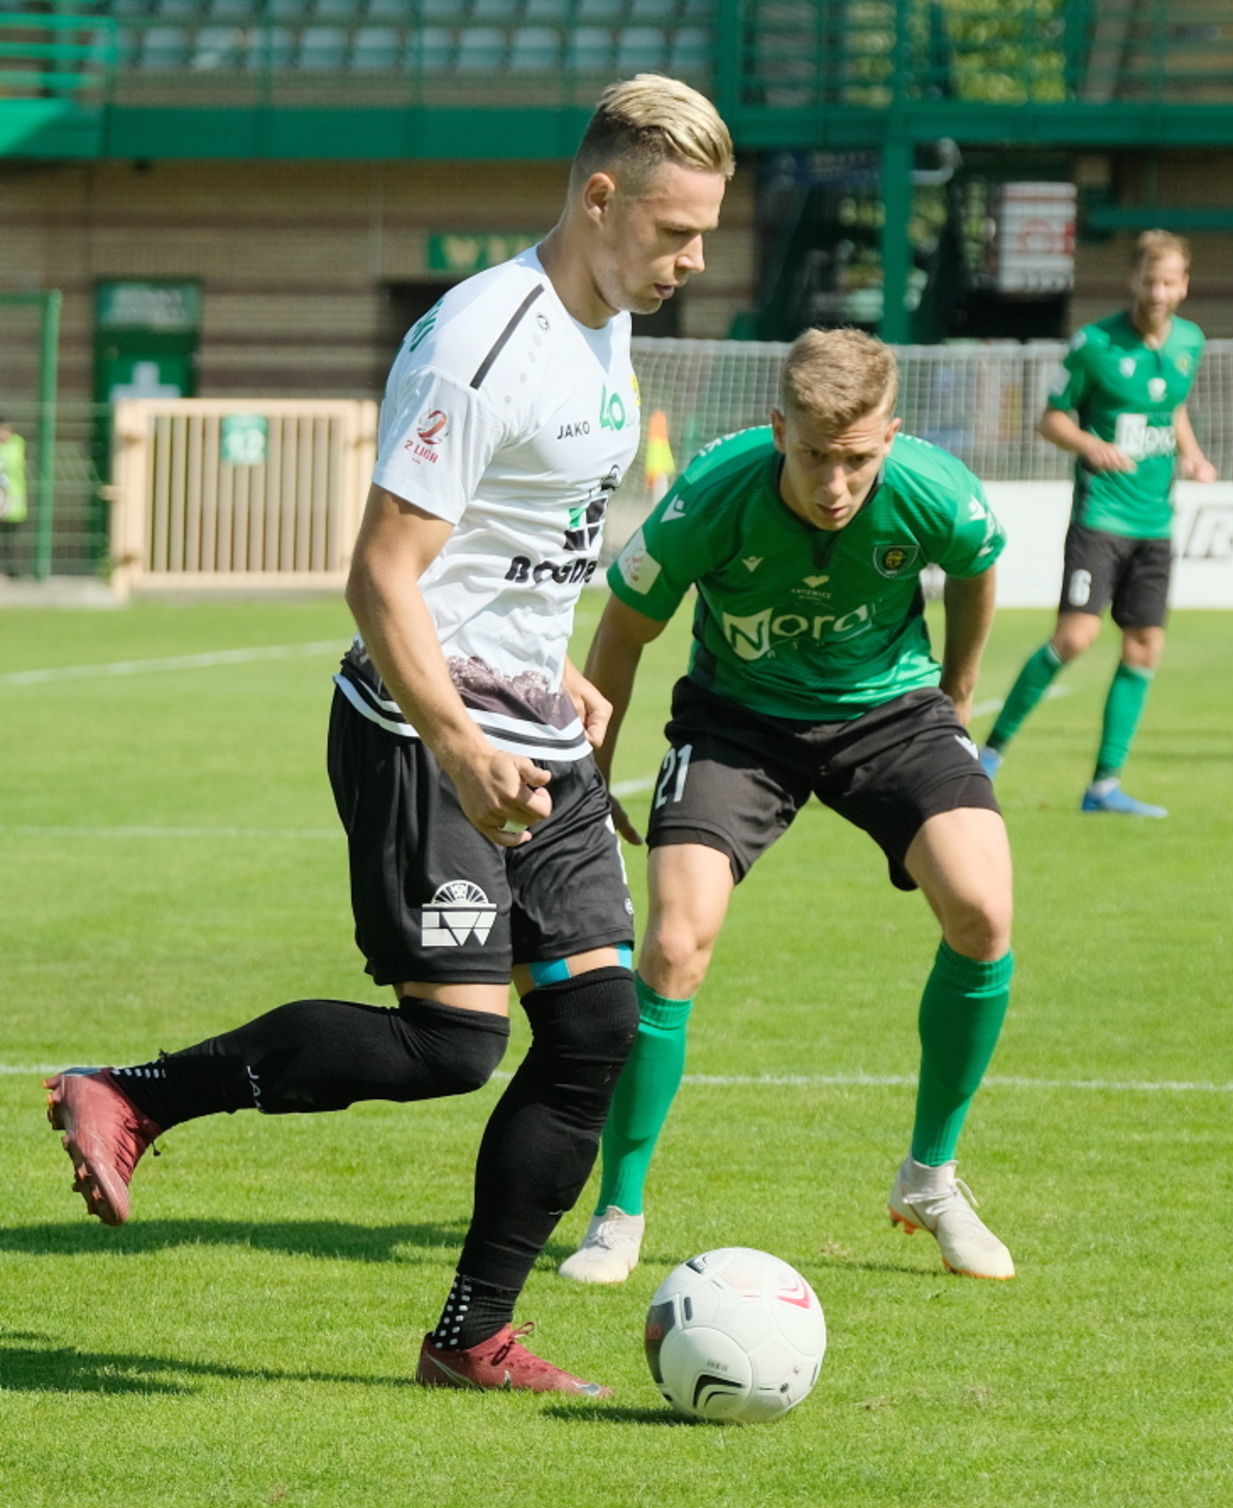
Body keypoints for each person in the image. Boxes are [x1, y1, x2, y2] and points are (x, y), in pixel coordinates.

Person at [43, 74, 734, 1397]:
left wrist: (562, 680)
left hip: (534, 733)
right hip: (424, 738)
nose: (691, 260)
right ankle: (134, 1094)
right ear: (598, 199)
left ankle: (471, 1337)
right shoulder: (485, 340)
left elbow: (528, 543)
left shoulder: (608, 326)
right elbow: (382, 574)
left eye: (703, 232)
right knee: (455, 1045)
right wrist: (462, 746)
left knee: (597, 1028)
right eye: (673, 231)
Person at [559, 326, 1017, 1287]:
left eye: (857, 459)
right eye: (814, 456)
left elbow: (977, 571)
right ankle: (619, 1212)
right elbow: (621, 636)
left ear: (890, 434)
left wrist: (962, 704)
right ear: (778, 429)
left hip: (891, 712)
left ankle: (930, 1179)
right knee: (675, 943)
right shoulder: (712, 497)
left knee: (982, 911)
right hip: (739, 723)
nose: (836, 483)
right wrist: (590, 783)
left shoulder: (936, 489)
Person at [979, 230, 1216, 816]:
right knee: (1075, 638)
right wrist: (1093, 446)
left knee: (1143, 649)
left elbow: (1173, 407)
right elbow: (1051, 420)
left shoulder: (1191, 342)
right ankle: (988, 756)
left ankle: (1104, 786)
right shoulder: (1094, 345)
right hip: (1102, 517)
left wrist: (1192, 452)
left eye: (1169, 282)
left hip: (1155, 524)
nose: (1158, 292)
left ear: (1184, 286)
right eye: (1149, 280)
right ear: (1133, 281)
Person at [0, 418, 27, 577]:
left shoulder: (17, 444)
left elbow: (12, 463)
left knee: (12, 537)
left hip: (12, 499)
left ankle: (12, 569)